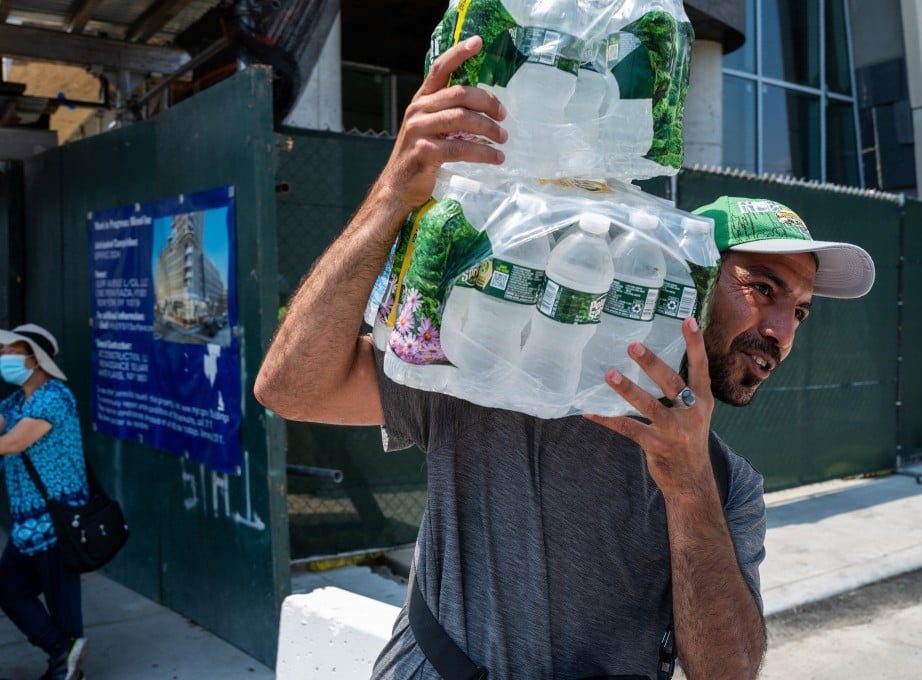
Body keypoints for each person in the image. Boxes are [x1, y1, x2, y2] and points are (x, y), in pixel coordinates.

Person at [254, 37, 875, 679]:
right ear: (681, 273)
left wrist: (688, 487)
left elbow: (728, 673)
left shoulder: (726, 486)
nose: (781, 331)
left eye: (799, 311)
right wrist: (390, 195)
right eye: (762, 289)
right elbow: (291, 388)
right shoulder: (501, 376)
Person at [0, 324, 89, 680]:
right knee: (9, 589)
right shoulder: (14, 401)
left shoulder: (54, 398)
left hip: (57, 521)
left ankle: (65, 664)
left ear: (35, 359)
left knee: (62, 604)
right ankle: (61, 653)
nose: (3, 358)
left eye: (11, 352)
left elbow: (11, 443)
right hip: (27, 524)